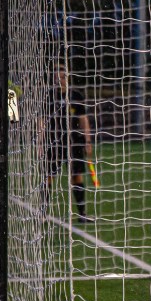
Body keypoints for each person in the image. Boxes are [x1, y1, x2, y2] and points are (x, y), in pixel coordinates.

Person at [46, 63, 94, 223]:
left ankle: (82, 214)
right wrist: (40, 143)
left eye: (62, 77)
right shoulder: (49, 97)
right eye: (57, 78)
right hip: (54, 141)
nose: (60, 80)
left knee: (77, 176)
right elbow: (42, 121)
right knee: (48, 176)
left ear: (67, 78)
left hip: (74, 142)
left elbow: (83, 119)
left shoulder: (76, 96)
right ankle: (42, 214)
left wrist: (87, 140)